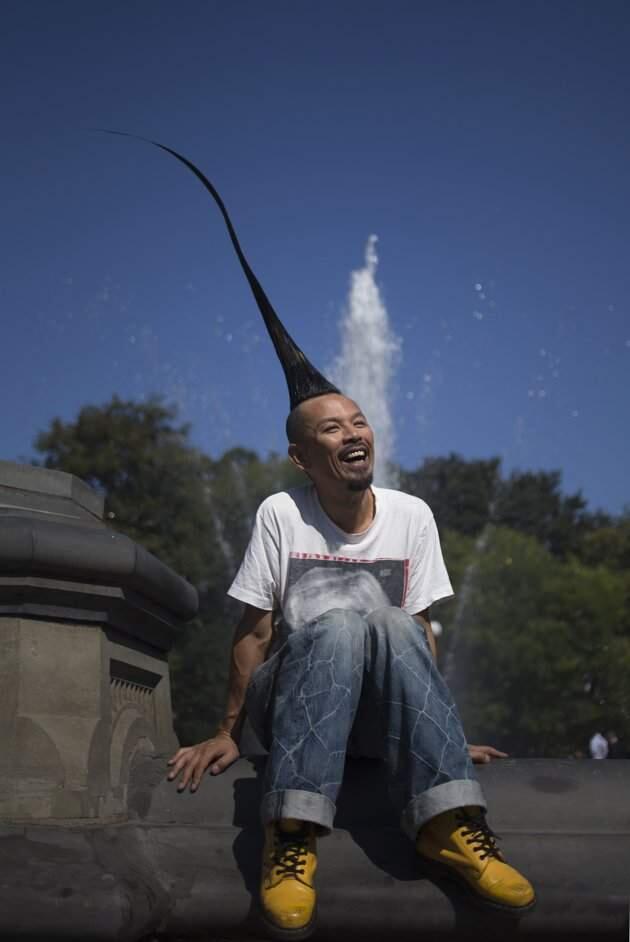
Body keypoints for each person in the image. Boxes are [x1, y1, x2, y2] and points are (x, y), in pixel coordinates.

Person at [123, 137, 535, 938]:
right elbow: (253, 633)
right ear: (300, 455)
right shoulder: (282, 513)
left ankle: (450, 826)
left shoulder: (412, 515)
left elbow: (418, 637)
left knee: (385, 621)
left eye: (359, 421)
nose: (352, 434)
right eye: (330, 429)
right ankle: (292, 837)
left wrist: (436, 736)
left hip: (372, 718)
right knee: (345, 622)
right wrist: (228, 732)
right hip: (295, 710)